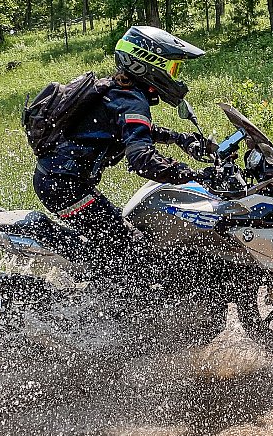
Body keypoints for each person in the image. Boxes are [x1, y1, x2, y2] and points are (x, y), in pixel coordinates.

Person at [32, 25, 214, 267]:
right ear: (146, 64)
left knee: (120, 236)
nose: (174, 76)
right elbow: (142, 159)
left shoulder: (116, 89)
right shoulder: (131, 100)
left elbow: (127, 130)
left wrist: (180, 139)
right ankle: (101, 301)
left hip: (59, 178)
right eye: (171, 67)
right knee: (131, 252)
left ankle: (96, 280)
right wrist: (193, 175)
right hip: (65, 185)